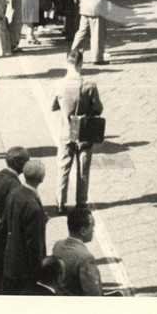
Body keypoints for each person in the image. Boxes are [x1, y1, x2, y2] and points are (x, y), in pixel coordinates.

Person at [53, 50, 104, 213]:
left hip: (66, 131)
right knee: (83, 168)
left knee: (63, 167)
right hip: (83, 131)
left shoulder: (59, 84)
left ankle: (60, 203)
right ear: (81, 64)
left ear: (67, 63)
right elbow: (98, 109)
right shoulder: (89, 86)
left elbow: (52, 106)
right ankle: (81, 202)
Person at [2, 159, 48, 295]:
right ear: (41, 178)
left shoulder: (14, 193)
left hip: (10, 261)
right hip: (24, 269)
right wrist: (38, 271)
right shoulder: (33, 207)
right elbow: (33, 244)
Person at [52, 207, 104, 296]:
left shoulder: (57, 245)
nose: (93, 230)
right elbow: (93, 293)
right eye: (92, 227)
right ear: (83, 231)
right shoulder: (85, 258)